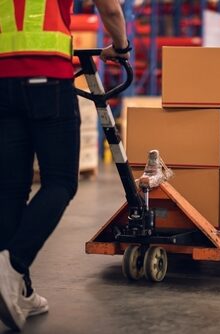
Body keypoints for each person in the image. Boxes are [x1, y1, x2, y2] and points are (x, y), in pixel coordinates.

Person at [0, 0, 130, 331]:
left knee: (11, 188)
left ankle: (22, 289)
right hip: (47, 79)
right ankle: (11, 265)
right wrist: (120, 46)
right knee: (60, 182)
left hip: (2, 82)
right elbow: (111, 9)